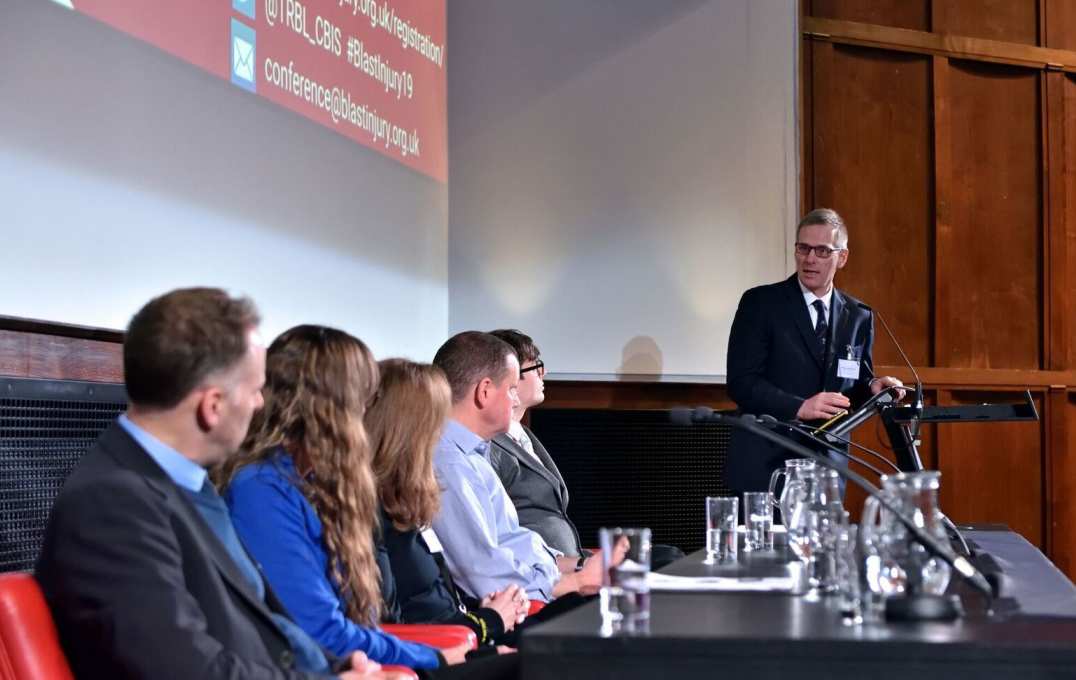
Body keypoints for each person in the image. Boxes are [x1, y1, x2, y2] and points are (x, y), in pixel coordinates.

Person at [35, 288, 396, 679]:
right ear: (212, 406)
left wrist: (336, 666)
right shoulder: (111, 504)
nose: (261, 404)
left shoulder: (184, 486)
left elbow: (261, 628)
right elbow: (185, 669)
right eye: (256, 389)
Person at [215, 326, 487, 677]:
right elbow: (323, 630)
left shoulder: (314, 484)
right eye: (363, 399)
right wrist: (432, 658)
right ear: (332, 408)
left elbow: (360, 623)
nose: (365, 415)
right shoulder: (262, 489)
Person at [725, 208, 905, 494]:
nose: (810, 259)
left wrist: (873, 386)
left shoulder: (859, 316)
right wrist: (799, 406)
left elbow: (852, 386)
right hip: (767, 462)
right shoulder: (761, 303)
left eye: (822, 251)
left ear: (842, 257)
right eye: (804, 248)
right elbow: (742, 382)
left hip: (827, 468)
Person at [430, 331, 616, 605]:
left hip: (539, 592)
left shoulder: (473, 456)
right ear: (484, 392)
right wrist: (575, 582)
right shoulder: (449, 463)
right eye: (511, 390)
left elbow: (514, 542)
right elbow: (484, 575)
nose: (516, 401)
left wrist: (578, 569)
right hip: (515, 614)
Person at [487, 329, 685, 569]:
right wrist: (580, 566)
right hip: (552, 571)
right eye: (536, 367)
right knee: (665, 562)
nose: (544, 373)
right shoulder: (490, 448)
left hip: (575, 558)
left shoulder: (525, 435)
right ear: (511, 379)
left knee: (668, 555)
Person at [367, 358, 526, 646]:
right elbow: (393, 632)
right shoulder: (373, 511)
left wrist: (488, 613)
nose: (443, 433)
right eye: (439, 420)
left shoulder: (405, 499)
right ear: (410, 428)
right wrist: (488, 622)